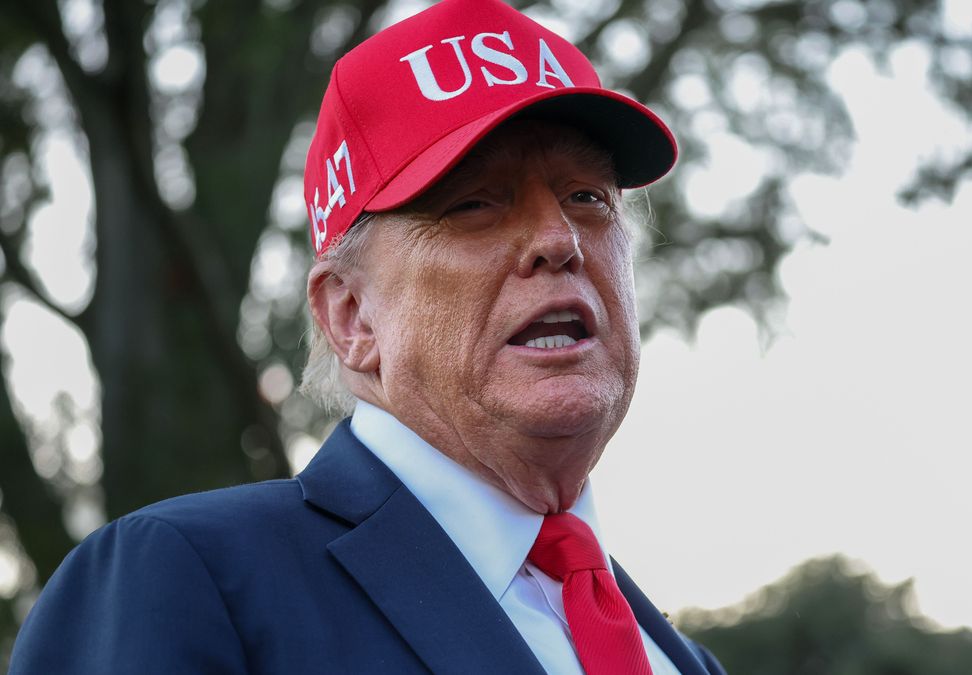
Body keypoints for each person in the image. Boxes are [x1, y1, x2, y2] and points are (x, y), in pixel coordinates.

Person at [10, 0, 726, 673]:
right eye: (475, 203)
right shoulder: (182, 578)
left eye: (587, 197)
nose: (557, 238)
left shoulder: (682, 659)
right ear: (350, 315)